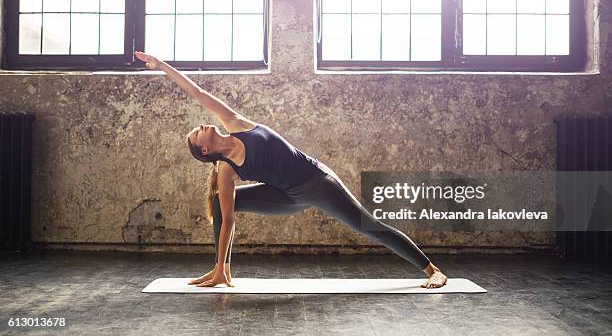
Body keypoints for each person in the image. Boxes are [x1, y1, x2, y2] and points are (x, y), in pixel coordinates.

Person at [134, 51, 448, 289]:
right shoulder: (226, 170)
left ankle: (433, 270)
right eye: (196, 133)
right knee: (219, 202)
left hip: (316, 181)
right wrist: (219, 263)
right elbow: (227, 219)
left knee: (366, 225)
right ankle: (223, 271)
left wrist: (162, 66)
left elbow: (198, 93)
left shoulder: (236, 124)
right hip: (287, 197)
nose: (200, 126)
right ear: (204, 149)